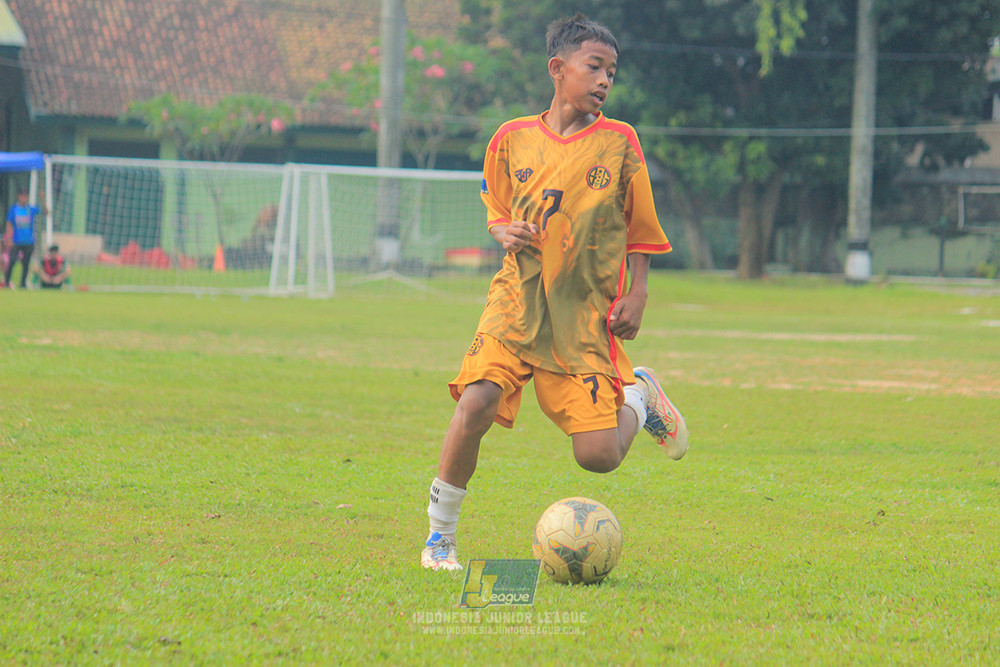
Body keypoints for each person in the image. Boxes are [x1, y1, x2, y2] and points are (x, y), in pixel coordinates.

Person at [420, 14, 689, 571]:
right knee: (475, 403)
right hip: (515, 303)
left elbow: (642, 227)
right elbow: (494, 203)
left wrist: (638, 293)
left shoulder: (619, 144)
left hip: (583, 318)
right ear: (557, 69)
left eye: (611, 72)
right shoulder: (510, 139)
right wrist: (499, 228)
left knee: (598, 458)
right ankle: (439, 537)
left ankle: (639, 395)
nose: (604, 81)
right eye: (594, 67)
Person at [3, 188, 44, 289]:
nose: (24, 198)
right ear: (18, 197)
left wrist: (43, 199)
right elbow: (9, 224)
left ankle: (23, 284)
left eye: (26, 196)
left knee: (26, 264)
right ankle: (7, 282)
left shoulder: (30, 209)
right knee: (12, 261)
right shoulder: (14, 210)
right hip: (16, 241)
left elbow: (45, 212)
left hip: (28, 241)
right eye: (22, 196)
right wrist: (9, 239)